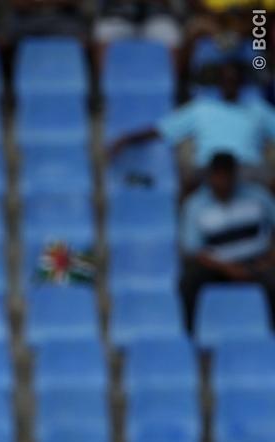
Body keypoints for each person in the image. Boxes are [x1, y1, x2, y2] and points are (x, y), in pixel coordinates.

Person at [108, 62, 275, 189]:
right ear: (219, 83)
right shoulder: (202, 108)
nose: (230, 84)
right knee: (187, 186)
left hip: (247, 169)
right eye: (226, 80)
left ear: (241, 83)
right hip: (209, 169)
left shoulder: (258, 109)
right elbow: (162, 130)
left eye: (234, 80)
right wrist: (126, 139)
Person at [179, 151, 275, 333]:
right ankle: (191, 336)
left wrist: (268, 260)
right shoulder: (195, 205)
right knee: (189, 280)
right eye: (218, 176)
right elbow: (194, 250)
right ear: (210, 177)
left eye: (227, 176)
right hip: (218, 268)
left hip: (258, 263)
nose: (223, 182)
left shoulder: (259, 196)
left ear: (235, 175)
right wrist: (230, 269)